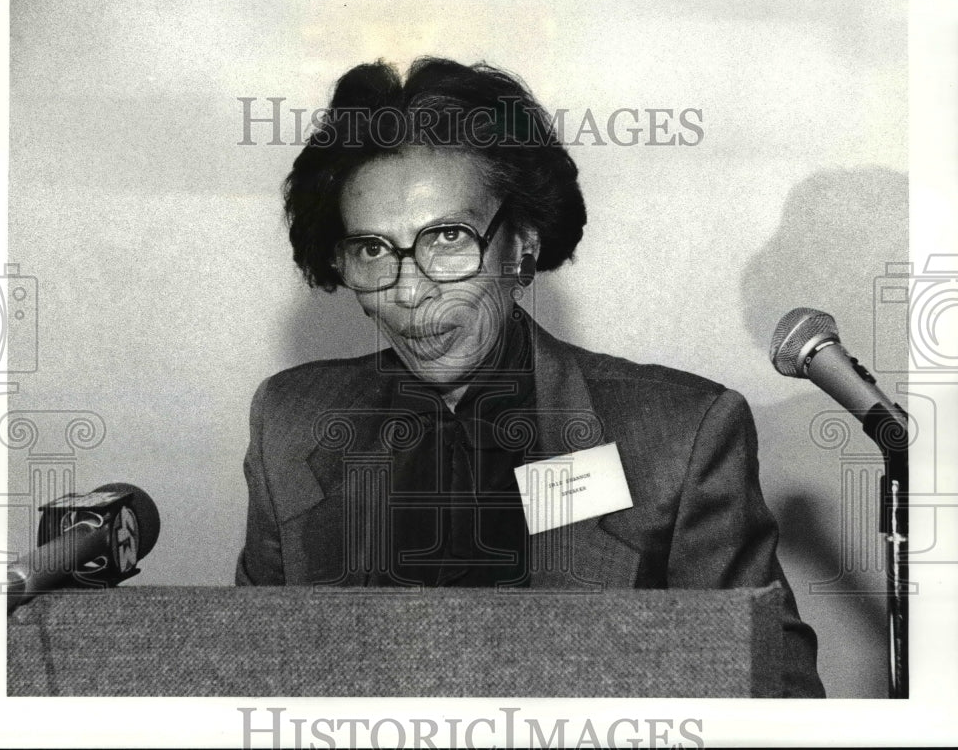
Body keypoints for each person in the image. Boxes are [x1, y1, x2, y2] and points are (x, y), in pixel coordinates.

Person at [235, 57, 825, 697]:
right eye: (372, 249)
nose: (409, 290)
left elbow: (773, 698)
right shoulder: (289, 422)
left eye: (448, 238)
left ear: (524, 242)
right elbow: (251, 672)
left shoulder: (681, 437)